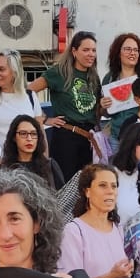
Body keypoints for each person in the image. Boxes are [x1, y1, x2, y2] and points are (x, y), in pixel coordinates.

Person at [43, 31, 105, 180]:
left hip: (88, 138)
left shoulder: (94, 77)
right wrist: (45, 119)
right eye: (86, 50)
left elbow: (96, 112)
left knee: (86, 187)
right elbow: (29, 92)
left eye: (93, 50)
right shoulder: (59, 73)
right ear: (74, 51)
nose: (91, 54)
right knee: (65, 185)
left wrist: (103, 106)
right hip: (66, 136)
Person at [103, 32, 140, 141]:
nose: (132, 53)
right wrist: (103, 106)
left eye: (136, 50)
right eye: (128, 49)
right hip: (117, 137)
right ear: (118, 53)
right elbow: (105, 113)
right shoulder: (109, 78)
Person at [0, 49, 44, 144]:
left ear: (15, 72)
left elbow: (41, 134)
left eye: (1, 69)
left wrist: (44, 157)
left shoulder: (30, 96)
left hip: (28, 157)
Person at [0, 113, 65, 189]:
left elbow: (61, 196)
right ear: (14, 137)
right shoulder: (3, 170)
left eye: (33, 134)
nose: (29, 138)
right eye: (23, 133)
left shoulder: (49, 166)